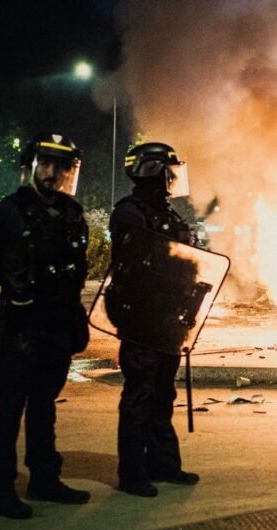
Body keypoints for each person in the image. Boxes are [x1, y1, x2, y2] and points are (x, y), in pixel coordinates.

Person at [0, 133, 91, 519]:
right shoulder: (6, 213)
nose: (52, 172)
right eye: (45, 163)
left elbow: (74, 276)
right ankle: (1, 488)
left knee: (44, 406)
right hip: (19, 328)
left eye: (60, 165)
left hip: (56, 329)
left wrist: (76, 322)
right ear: (32, 166)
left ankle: (44, 479)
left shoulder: (72, 214)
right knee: (7, 409)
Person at [110, 142, 199, 497]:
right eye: (169, 171)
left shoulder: (169, 214)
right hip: (142, 320)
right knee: (139, 397)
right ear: (152, 171)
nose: (174, 178)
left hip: (167, 321)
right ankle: (132, 473)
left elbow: (185, 260)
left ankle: (164, 464)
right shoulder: (130, 213)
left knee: (163, 394)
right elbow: (136, 264)